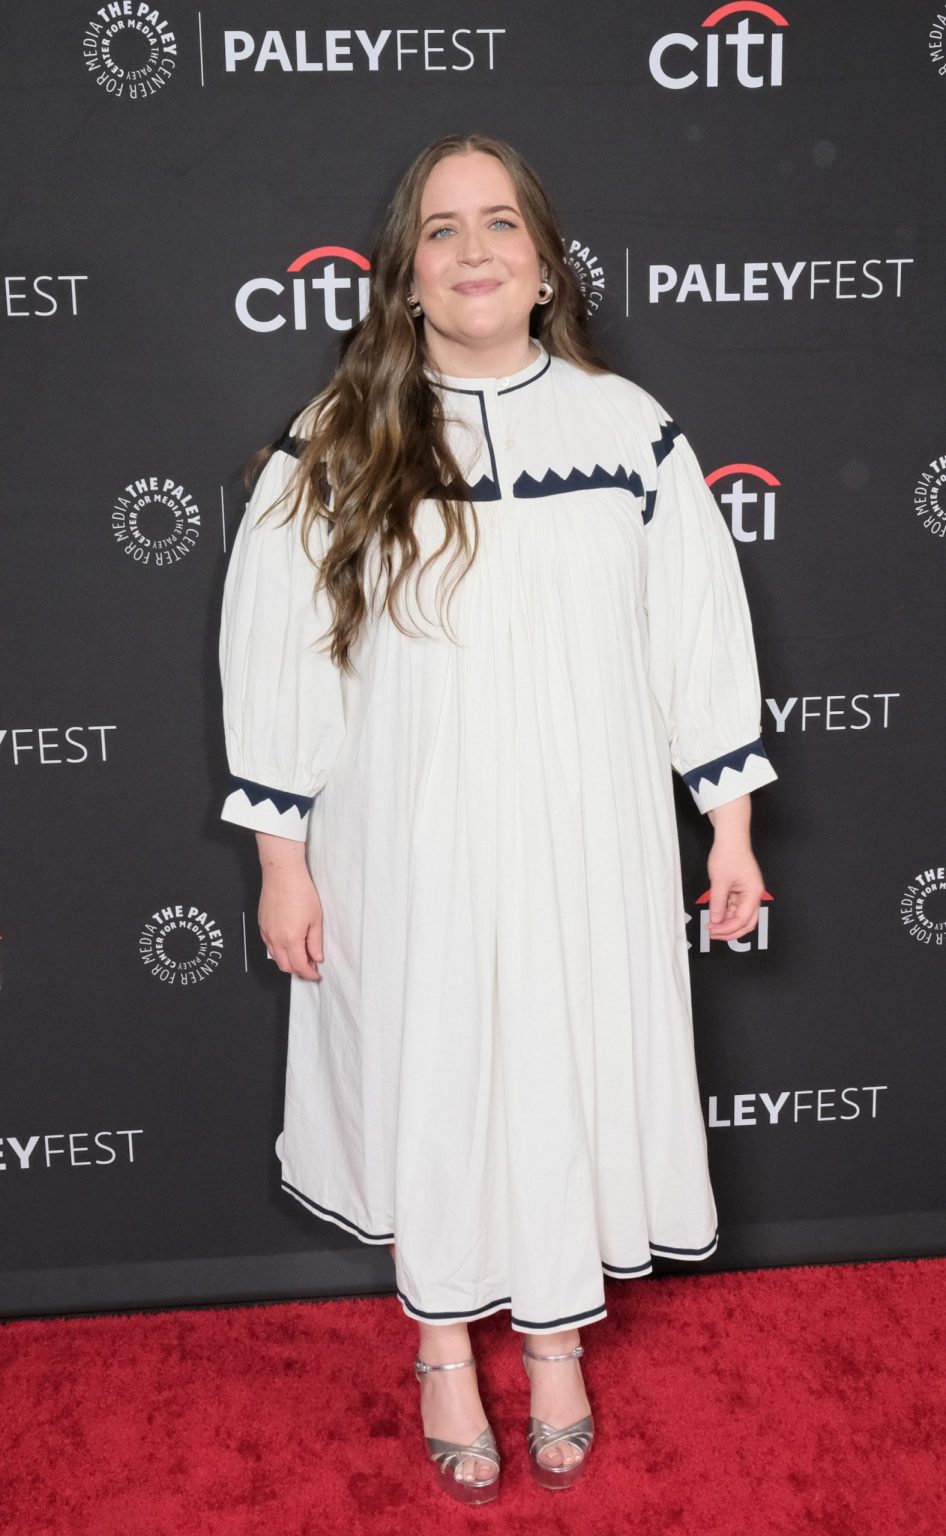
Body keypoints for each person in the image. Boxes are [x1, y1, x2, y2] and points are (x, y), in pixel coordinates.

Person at [218, 132, 777, 1504]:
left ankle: (554, 1339)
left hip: (587, 837)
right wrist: (282, 862)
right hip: (406, 842)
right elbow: (276, 654)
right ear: (407, 275)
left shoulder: (625, 427)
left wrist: (729, 830)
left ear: (543, 264)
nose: (474, 252)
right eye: (443, 231)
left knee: (564, 1079)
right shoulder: (334, 438)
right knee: (440, 1084)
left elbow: (694, 636)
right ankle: (445, 1351)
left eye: (501, 226)